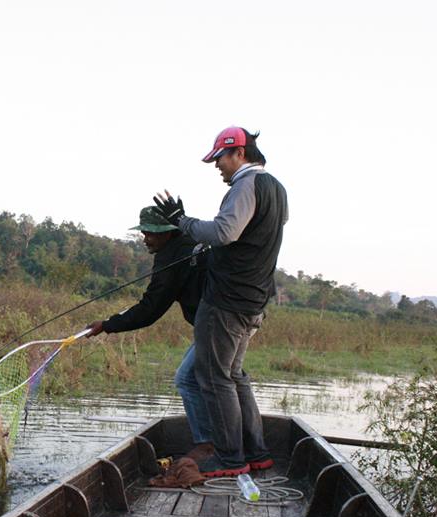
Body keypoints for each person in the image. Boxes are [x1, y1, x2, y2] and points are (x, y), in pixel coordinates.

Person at [153, 126, 288, 477]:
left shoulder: (247, 184)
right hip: (253, 300)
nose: (217, 166)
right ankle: (257, 453)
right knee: (234, 375)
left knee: (214, 378)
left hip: (227, 301)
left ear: (239, 154)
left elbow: (225, 231)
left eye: (220, 159)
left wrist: (182, 222)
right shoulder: (277, 188)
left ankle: (231, 459)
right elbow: (249, 239)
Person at [85, 206, 215, 460]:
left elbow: (150, 309)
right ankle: (241, 442)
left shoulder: (171, 257)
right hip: (233, 315)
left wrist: (107, 325)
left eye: (151, 234)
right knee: (230, 379)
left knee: (187, 379)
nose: (146, 239)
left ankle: (208, 444)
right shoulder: (191, 241)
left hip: (219, 321)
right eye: (145, 233)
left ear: (167, 232)